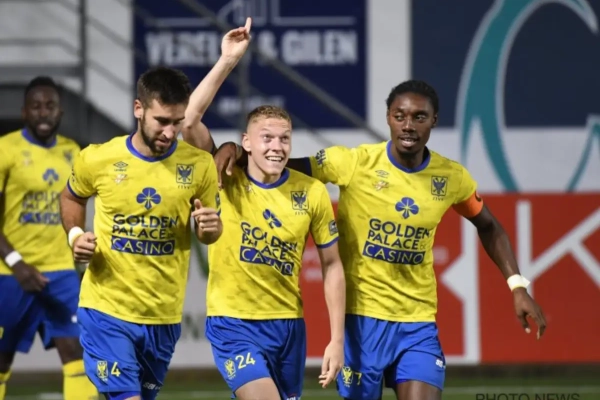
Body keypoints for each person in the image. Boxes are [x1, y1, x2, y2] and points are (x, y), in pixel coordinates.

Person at [212, 80, 548, 400]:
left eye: (419, 117)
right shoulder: (354, 162)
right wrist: (235, 151)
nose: (408, 126)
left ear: (434, 120)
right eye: (400, 116)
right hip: (361, 324)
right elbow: (282, 166)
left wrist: (517, 285)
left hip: (417, 322)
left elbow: (489, 226)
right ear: (388, 117)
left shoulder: (451, 178)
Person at [58, 19, 252, 400]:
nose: (169, 132)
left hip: (162, 317)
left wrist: (210, 229)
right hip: (106, 310)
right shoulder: (98, 159)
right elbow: (71, 197)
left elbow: (209, 231)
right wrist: (76, 235)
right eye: (162, 121)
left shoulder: (198, 166)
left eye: (177, 123)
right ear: (138, 109)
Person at [201, 105, 345, 400]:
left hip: (288, 327)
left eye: (284, 139)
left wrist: (337, 341)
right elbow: (190, 122)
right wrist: (223, 72)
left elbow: (332, 265)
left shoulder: (312, 192)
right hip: (232, 323)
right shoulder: (225, 179)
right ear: (246, 142)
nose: (277, 147)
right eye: (267, 138)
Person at [0, 77, 98, 400]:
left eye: (50, 106)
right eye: (36, 106)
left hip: (61, 272)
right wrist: (17, 264)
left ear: (60, 112)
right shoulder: (5, 149)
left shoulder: (73, 152)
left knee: (78, 351)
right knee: (2, 357)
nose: (44, 113)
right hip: (11, 273)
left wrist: (80, 263)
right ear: (24, 111)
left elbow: (77, 209)